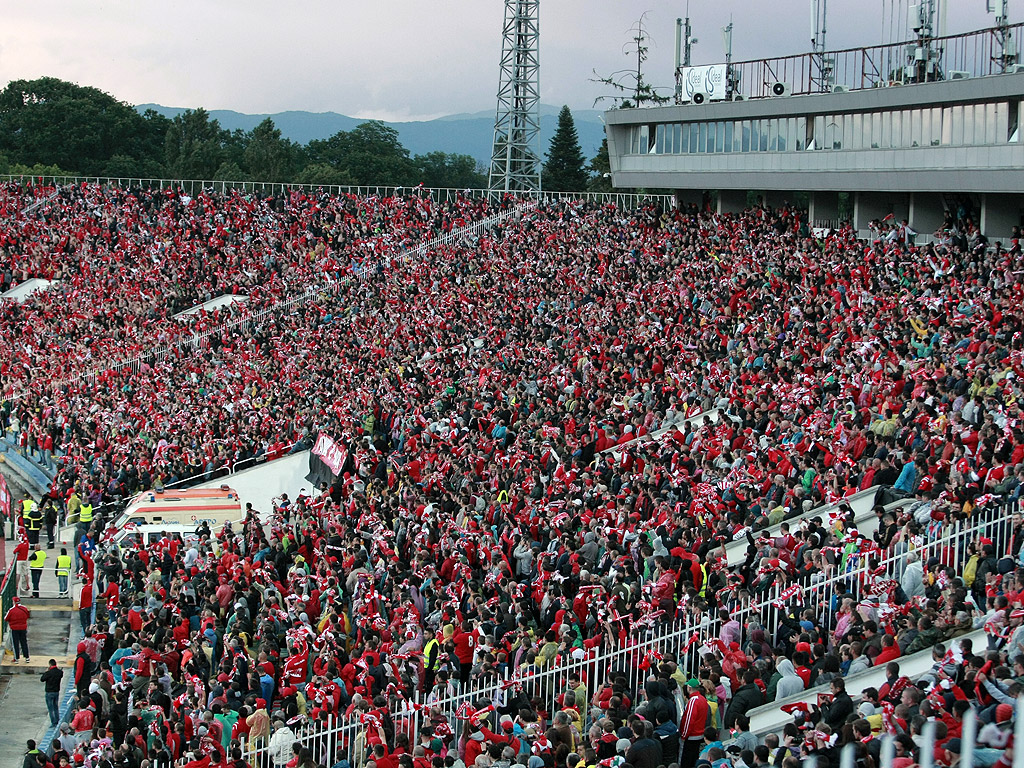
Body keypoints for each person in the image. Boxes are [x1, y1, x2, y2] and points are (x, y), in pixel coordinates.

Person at [5, 596, 30, 663]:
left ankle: (16, 658)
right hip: (23, 628)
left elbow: (6, 618)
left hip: (14, 629)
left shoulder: (11, 610)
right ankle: (27, 657)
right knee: (24, 642)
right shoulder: (24, 608)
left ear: (14, 602)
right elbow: (28, 616)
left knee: (15, 643)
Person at [40, 659, 64, 727]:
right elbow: (61, 674)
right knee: (56, 707)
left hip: (49, 692)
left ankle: (54, 722)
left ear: (50, 665)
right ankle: (57, 719)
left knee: (51, 708)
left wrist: (46, 672)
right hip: (56, 691)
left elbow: (42, 679)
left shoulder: (49, 673)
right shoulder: (59, 672)